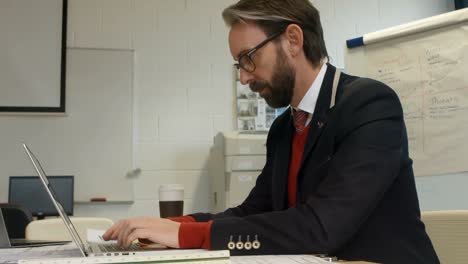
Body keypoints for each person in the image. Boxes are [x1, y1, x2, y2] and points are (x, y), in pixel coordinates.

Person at [103, 0, 440, 263]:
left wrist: (188, 236)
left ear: (293, 39)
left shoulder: (369, 104)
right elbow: (253, 213)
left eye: (248, 58)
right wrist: (172, 226)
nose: (244, 77)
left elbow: (322, 227)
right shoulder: (283, 128)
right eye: (239, 64)